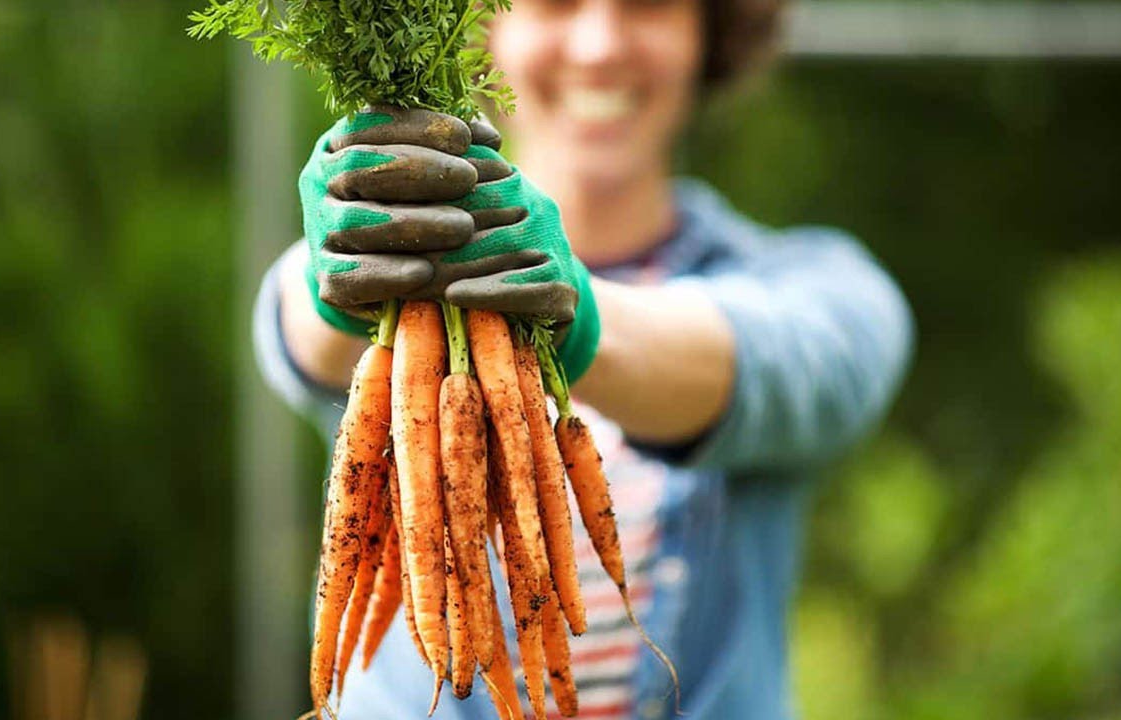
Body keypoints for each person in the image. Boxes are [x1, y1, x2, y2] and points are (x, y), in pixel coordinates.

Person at [254, 0, 914, 717]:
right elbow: (295, 325)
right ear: (480, 27)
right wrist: (342, 267)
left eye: (649, 5)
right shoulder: (397, 284)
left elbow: (785, 364)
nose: (599, 43)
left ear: (710, 32)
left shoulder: (819, 286)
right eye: (554, 1)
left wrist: (576, 311)